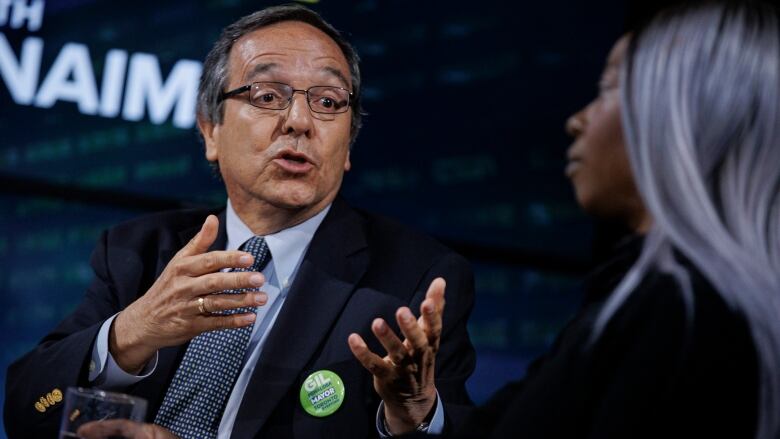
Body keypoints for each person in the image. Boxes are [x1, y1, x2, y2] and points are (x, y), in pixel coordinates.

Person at [3, 5, 476, 439]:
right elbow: (27, 410)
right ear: (211, 130)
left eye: (329, 102)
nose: (299, 121)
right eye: (268, 95)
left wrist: (414, 415)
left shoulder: (415, 284)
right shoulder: (138, 250)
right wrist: (132, 332)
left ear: (348, 146)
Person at [351, 1, 780, 438]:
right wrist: (418, 409)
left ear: (682, 117)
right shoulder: (642, 304)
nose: (578, 121)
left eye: (610, 88)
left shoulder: (681, 312)